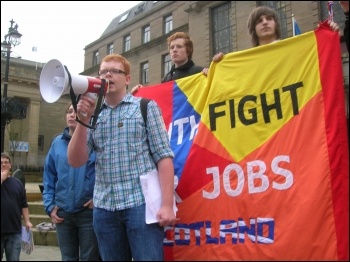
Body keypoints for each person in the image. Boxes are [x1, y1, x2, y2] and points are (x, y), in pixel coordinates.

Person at [67, 54, 176, 261]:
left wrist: (167, 205)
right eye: (103, 72)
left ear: (127, 79)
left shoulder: (145, 107)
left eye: (115, 71)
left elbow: (164, 157)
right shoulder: (94, 114)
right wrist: (82, 121)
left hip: (140, 205)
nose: (108, 74)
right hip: (104, 209)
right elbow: (75, 160)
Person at [42, 103, 99, 261]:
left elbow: (105, 171)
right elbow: (49, 177)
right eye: (69, 111)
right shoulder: (56, 143)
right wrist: (49, 206)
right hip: (63, 213)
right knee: (68, 258)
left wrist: (97, 198)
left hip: (88, 213)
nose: (72, 115)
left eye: (76, 111)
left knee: (90, 258)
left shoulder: (94, 140)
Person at [131, 31, 207, 94]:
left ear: (188, 50)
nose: (174, 50)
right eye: (172, 47)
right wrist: (142, 91)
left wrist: (212, 73)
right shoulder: (166, 78)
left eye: (179, 46)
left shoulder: (199, 72)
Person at [1, 152, 33, 261]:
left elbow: (24, 204)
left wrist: (27, 221)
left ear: (10, 165)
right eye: (1, 163)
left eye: (6, 162)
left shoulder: (17, 183)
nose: (3, 165)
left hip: (14, 231)